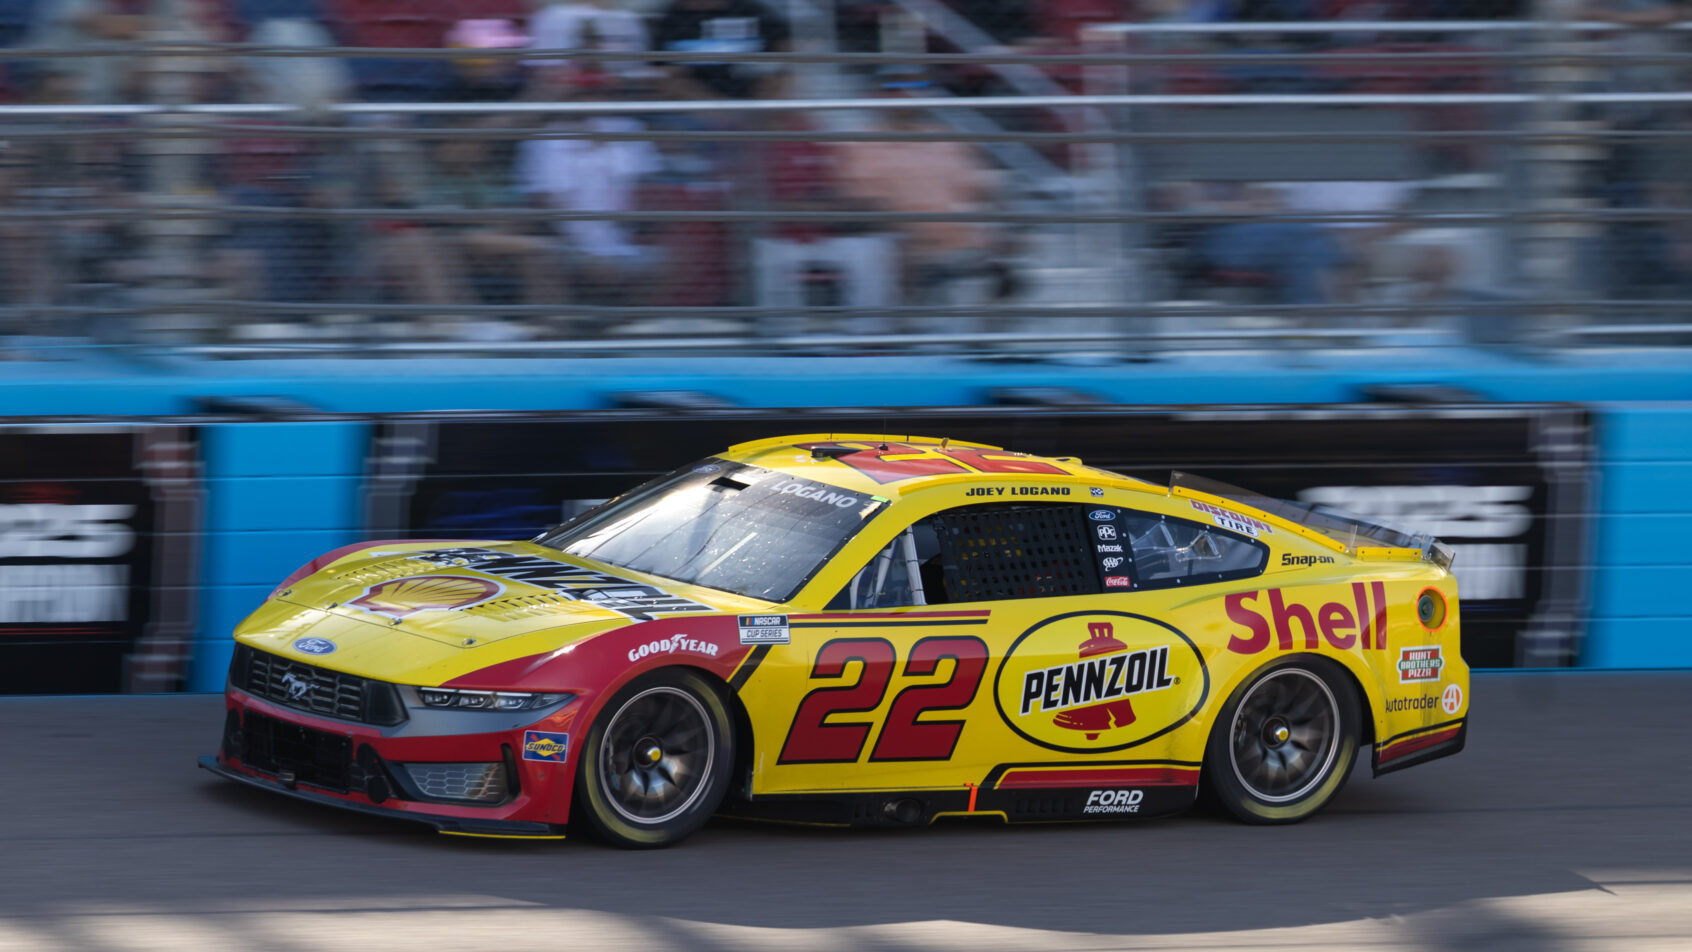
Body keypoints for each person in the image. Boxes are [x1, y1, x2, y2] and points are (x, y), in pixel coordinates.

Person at [516, 69, 666, 312]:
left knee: (668, 257)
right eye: (581, 94)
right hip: (568, 244)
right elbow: (543, 206)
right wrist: (584, 252)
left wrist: (631, 238)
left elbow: (650, 194)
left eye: (598, 93)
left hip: (627, 241)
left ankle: (632, 332)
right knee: (545, 257)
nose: (590, 100)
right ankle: (558, 340)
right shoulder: (544, 140)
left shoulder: (629, 131)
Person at [650, 0, 790, 101]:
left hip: (757, 101)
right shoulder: (670, 19)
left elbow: (785, 54)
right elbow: (664, 74)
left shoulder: (754, 11)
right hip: (696, 110)